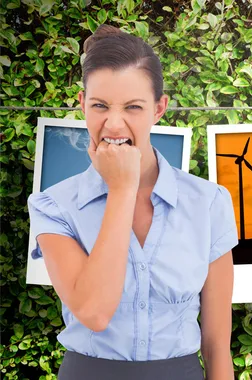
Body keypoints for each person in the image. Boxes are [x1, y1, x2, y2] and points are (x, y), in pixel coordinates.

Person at [27, 24, 237, 380]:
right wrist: (122, 190)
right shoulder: (54, 206)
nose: (114, 123)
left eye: (133, 107)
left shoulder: (208, 203)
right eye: (100, 105)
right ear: (82, 105)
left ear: (159, 109)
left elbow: (217, 345)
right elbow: (94, 312)